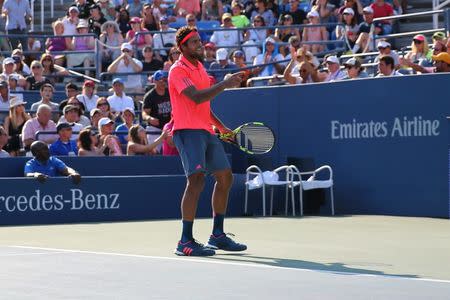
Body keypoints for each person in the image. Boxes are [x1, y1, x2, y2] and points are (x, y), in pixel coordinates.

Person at [168, 26, 247, 256]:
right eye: (193, 42)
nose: (199, 44)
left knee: (225, 177)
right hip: (186, 131)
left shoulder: (201, 68)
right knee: (196, 180)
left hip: (206, 131)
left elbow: (205, 105)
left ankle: (218, 236)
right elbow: (196, 98)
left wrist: (221, 127)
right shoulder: (177, 70)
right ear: (182, 47)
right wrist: (224, 84)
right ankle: (185, 241)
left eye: (199, 40)